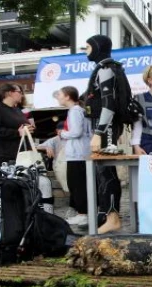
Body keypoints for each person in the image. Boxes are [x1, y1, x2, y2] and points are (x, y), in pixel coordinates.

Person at [84, 34, 126, 234]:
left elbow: (108, 105)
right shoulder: (108, 67)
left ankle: (113, 217)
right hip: (105, 126)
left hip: (106, 127)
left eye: (88, 47)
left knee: (106, 172)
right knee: (103, 173)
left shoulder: (106, 69)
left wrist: (98, 133)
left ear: (97, 47)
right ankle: (108, 215)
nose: (86, 51)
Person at [58, 86, 92, 226]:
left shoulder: (75, 111)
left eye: (60, 94)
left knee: (77, 184)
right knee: (79, 184)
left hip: (77, 154)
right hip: (81, 152)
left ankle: (83, 214)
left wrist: (62, 134)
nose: (58, 97)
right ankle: (83, 212)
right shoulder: (79, 110)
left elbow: (76, 132)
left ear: (67, 96)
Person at [0, 83, 34, 168]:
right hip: (3, 155)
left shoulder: (17, 110)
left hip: (19, 153)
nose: (22, 95)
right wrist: (17, 133)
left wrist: (27, 128)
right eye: (19, 92)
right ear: (10, 93)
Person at [38, 121, 68, 192]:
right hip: (59, 166)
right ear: (56, 131)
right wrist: (46, 147)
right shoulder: (54, 140)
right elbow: (36, 147)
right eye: (59, 131)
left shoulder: (72, 138)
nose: (60, 133)